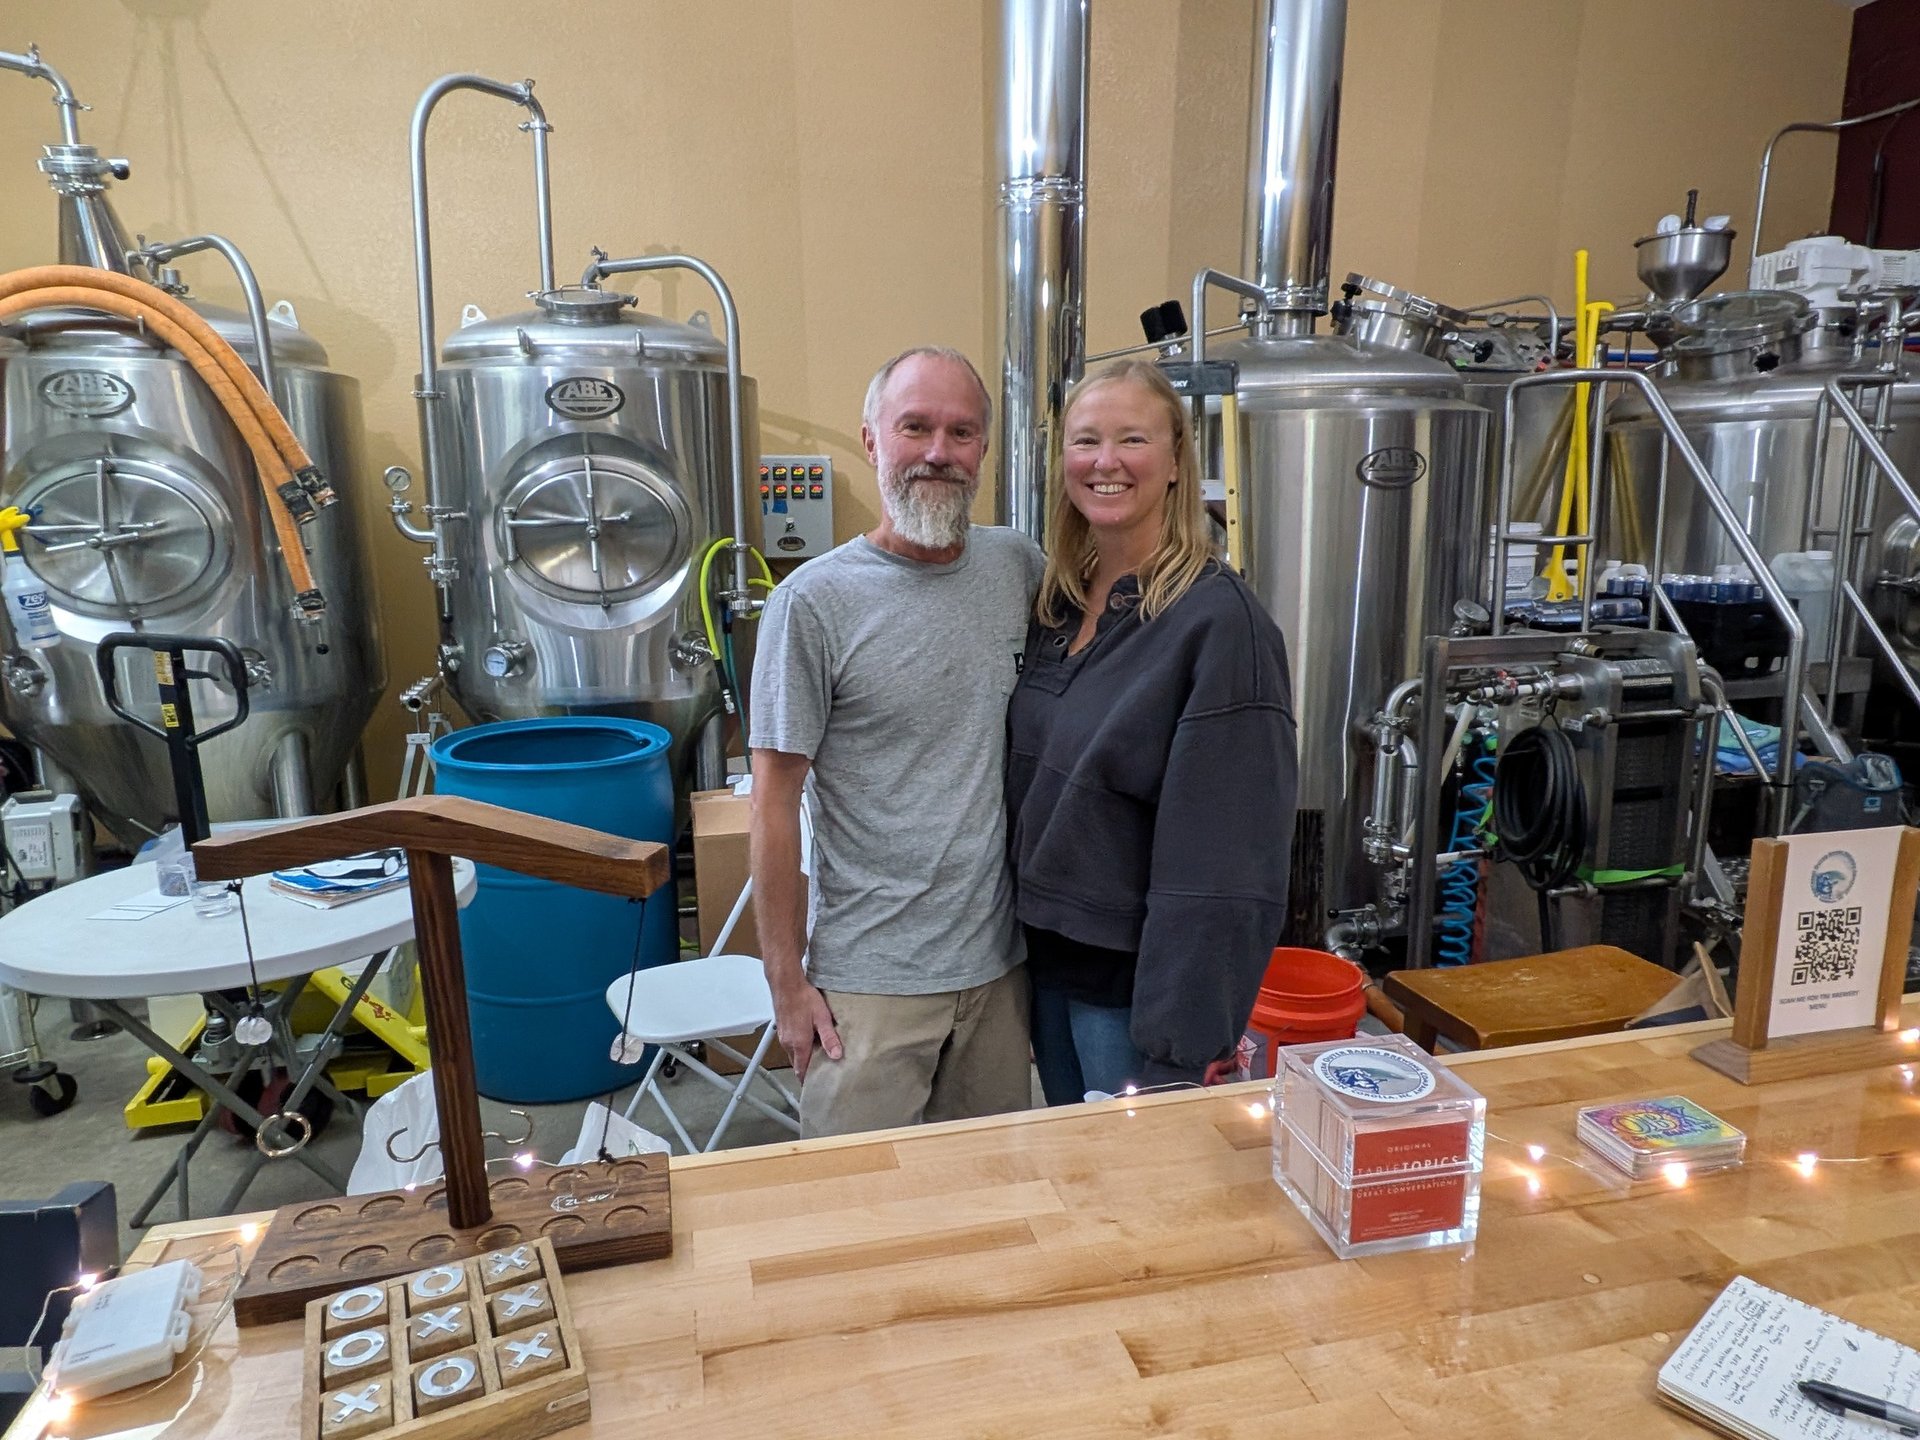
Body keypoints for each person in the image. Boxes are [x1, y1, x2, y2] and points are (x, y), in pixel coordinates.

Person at [749, 346, 1045, 1137]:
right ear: (873, 442)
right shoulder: (812, 603)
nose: (939, 453)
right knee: (855, 1222)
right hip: (870, 988)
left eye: (962, 431)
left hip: (999, 974)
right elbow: (773, 803)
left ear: (984, 448)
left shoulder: (1018, 566)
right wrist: (786, 983)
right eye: (915, 427)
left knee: (990, 1209)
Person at [1005, 358, 1298, 1101]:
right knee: (1076, 1175)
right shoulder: (1059, 603)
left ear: (1175, 462)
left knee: (1136, 1199)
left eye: (1132, 440)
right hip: (1045, 966)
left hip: (1135, 995)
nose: (1105, 462)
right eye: (1085, 441)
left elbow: (1229, 865)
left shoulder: (1220, 624)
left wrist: (1184, 1039)